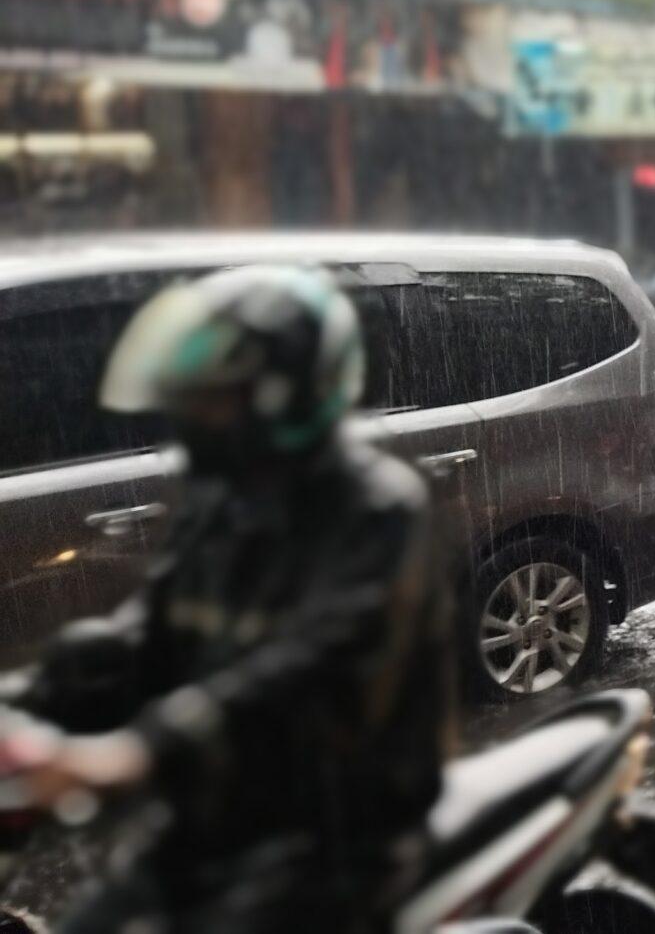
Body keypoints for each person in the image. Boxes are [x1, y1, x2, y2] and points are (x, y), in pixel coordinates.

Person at [0, 266, 457, 933]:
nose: (193, 418)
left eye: (216, 400)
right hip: (211, 828)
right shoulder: (221, 498)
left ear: (287, 396)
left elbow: (309, 667)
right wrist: (33, 698)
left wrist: (138, 752)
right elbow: (147, 632)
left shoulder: (376, 510)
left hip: (334, 844)